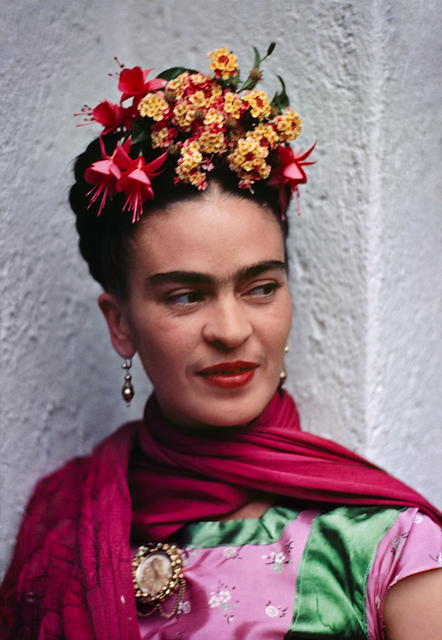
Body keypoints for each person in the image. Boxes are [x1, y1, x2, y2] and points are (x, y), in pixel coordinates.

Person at [1, 45, 441, 640]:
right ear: (120, 323)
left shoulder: (389, 547)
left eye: (260, 287)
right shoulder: (63, 524)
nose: (232, 331)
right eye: (185, 296)